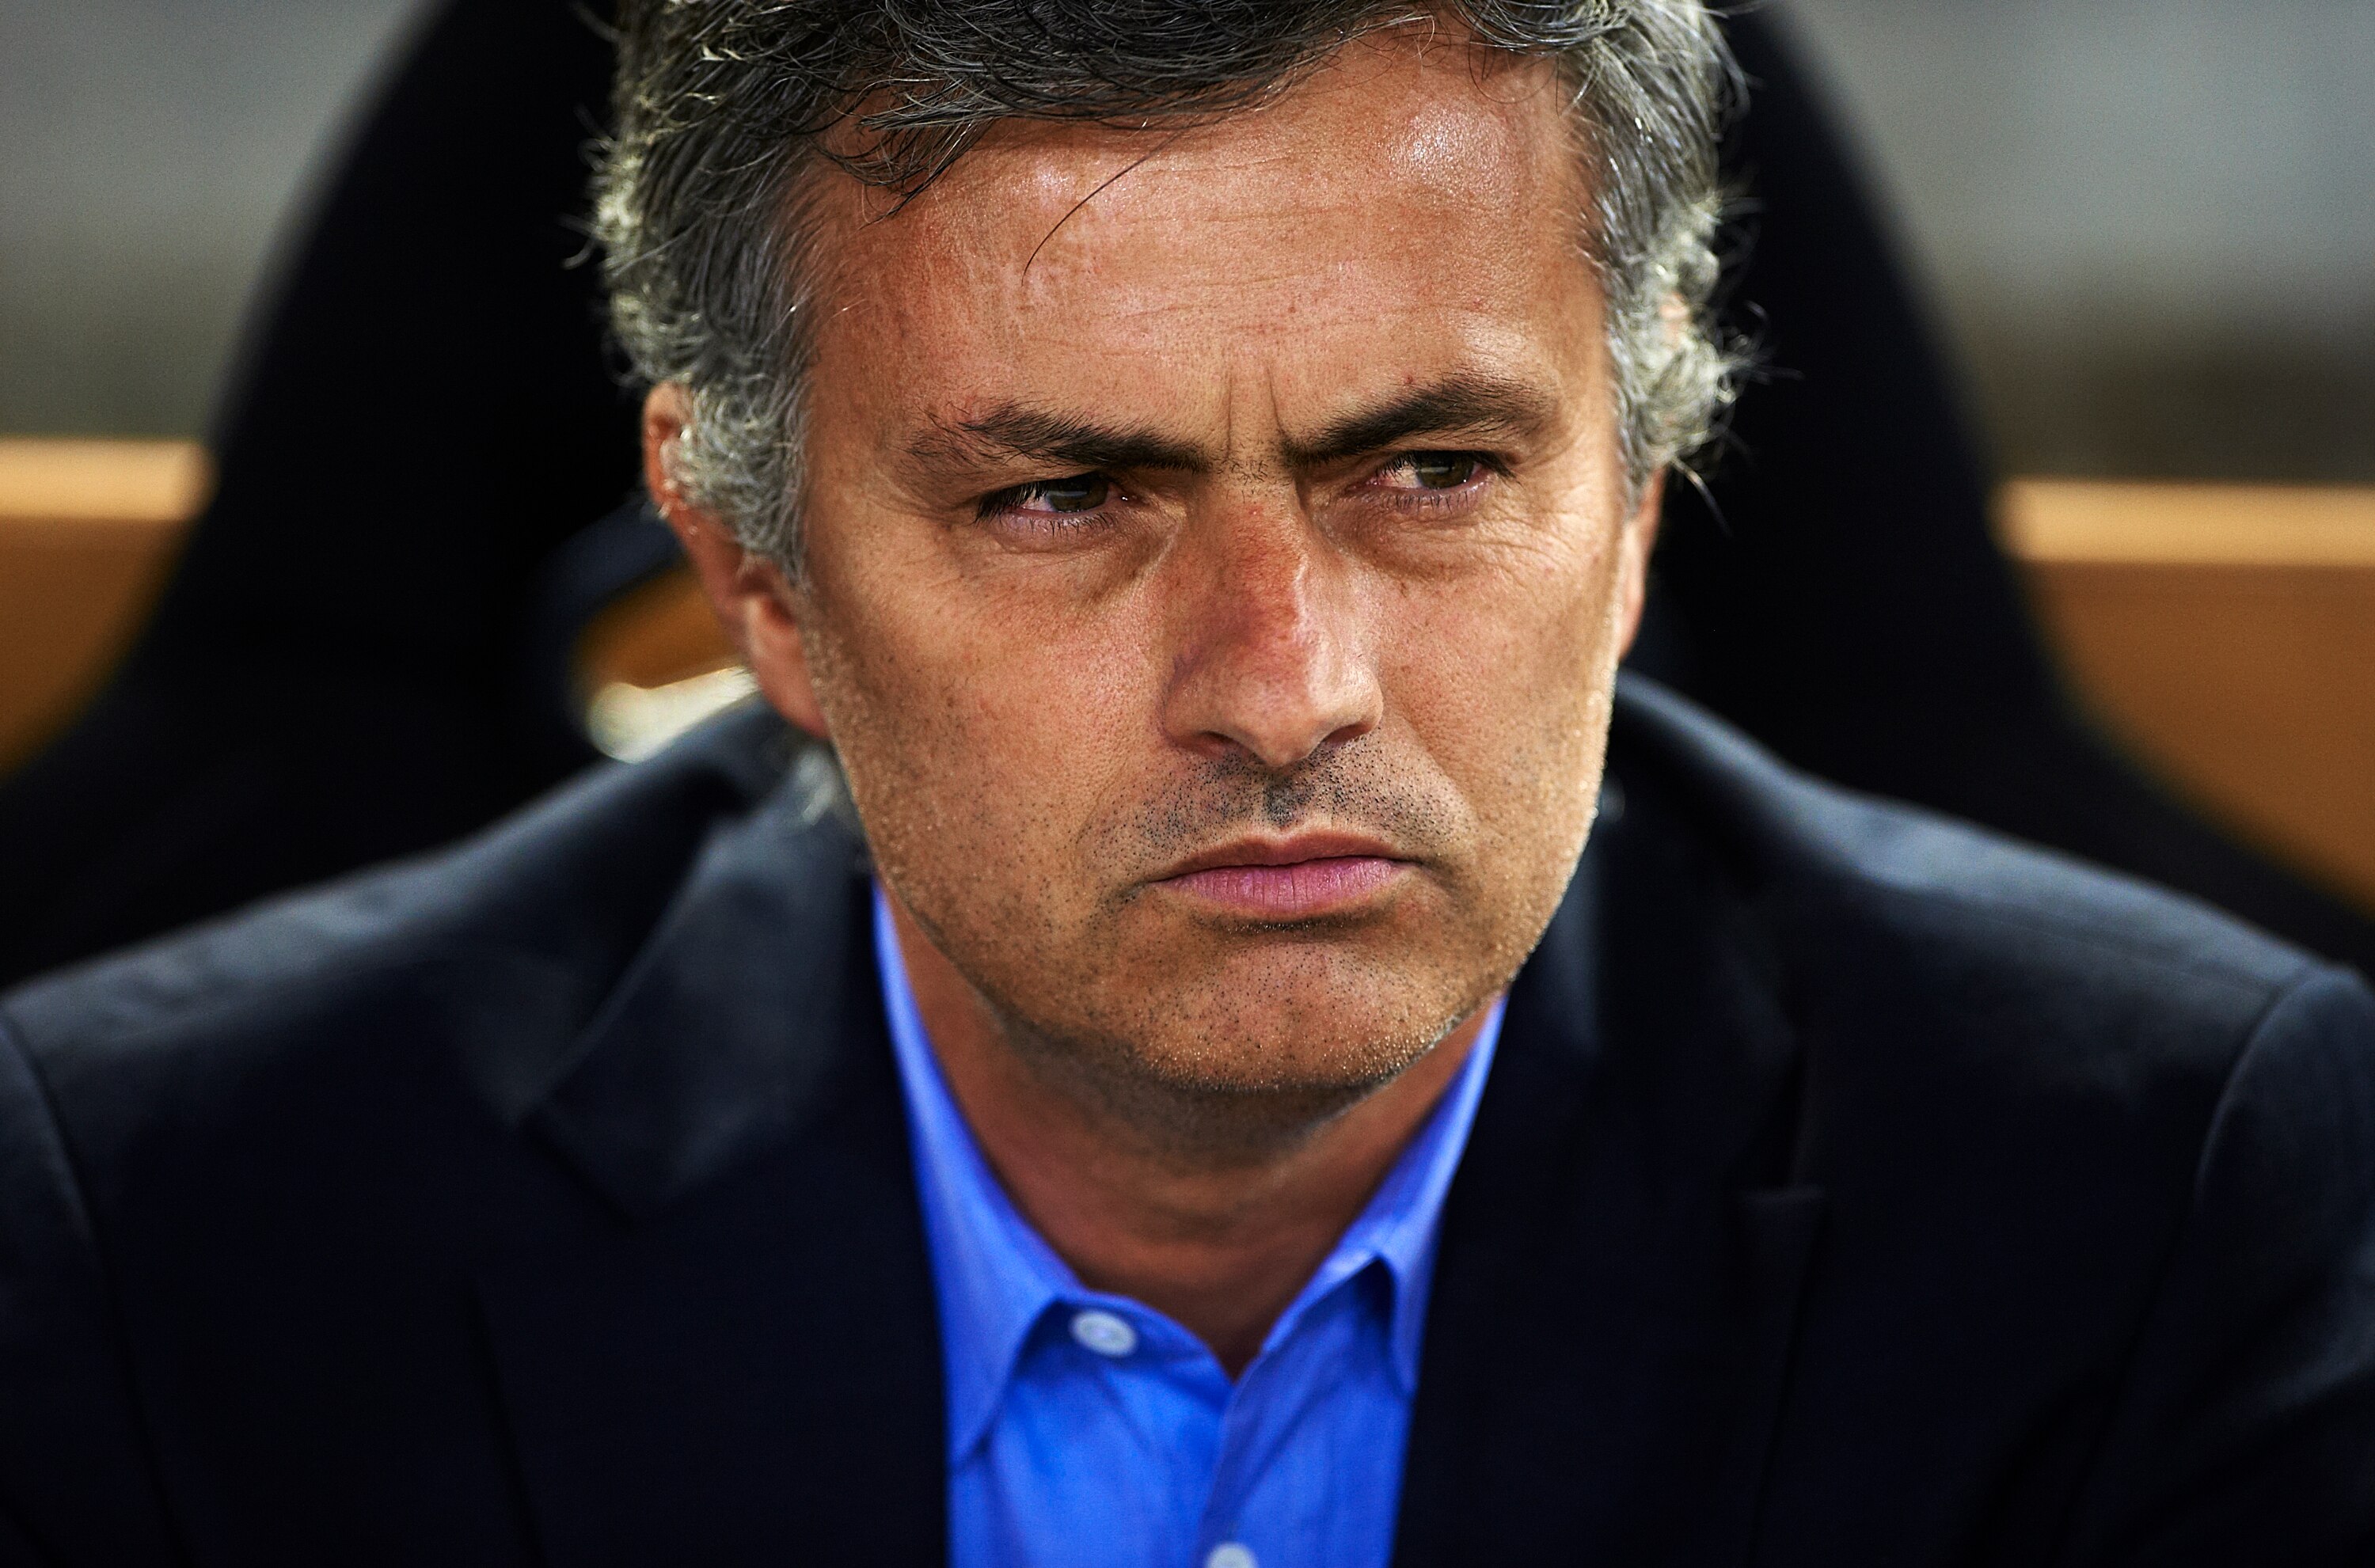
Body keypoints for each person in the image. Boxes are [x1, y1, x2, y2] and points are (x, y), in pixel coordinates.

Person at [2, 2, 2370, 1562]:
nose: (1285, 688)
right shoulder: (159, 1248)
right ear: (757, 581)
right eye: (1062, 499)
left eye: (1431, 471)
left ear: (1640, 511)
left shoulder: (2173, 1209)